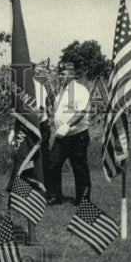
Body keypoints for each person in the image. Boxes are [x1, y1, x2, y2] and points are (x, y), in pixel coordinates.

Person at [45, 60, 92, 204]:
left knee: (79, 168)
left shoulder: (80, 90)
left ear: (72, 75)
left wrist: (68, 125)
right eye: (59, 74)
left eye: (63, 74)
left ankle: (83, 199)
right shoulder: (60, 93)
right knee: (53, 164)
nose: (60, 76)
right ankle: (55, 195)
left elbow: (82, 111)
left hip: (78, 136)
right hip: (62, 137)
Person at [7, 62, 52, 178]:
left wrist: (26, 128)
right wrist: (13, 130)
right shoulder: (20, 88)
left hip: (39, 126)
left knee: (41, 158)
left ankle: (46, 190)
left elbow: (40, 112)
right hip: (25, 126)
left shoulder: (38, 87)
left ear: (32, 71)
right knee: (22, 157)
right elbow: (17, 112)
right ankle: (21, 187)